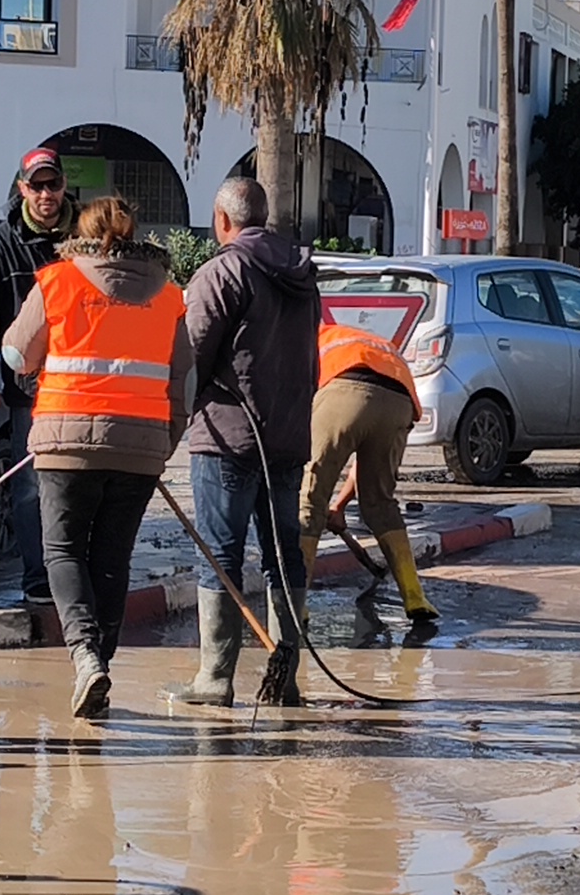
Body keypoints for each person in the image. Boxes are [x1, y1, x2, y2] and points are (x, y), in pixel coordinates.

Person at [1, 197, 192, 719]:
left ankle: (85, 656)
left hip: (64, 443)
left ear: (80, 232)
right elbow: (186, 381)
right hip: (140, 447)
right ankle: (99, 664)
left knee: (63, 551)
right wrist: (165, 441)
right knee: (112, 558)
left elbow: (17, 355)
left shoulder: (57, 281)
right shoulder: (169, 295)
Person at [170, 178, 320, 708]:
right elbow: (311, 358)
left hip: (227, 438)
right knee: (283, 555)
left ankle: (215, 678)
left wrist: (171, 420)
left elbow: (191, 357)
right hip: (287, 437)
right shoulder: (303, 276)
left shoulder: (222, 272)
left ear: (222, 220)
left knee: (220, 554)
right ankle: (286, 677)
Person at [0, 148, 72, 605]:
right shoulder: (0, 244)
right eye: (36, 186)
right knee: (30, 488)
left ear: (64, 185)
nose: (46, 194)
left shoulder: (86, 238)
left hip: (84, 390)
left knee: (79, 487)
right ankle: (39, 580)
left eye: (53, 184)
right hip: (31, 391)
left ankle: (76, 575)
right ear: (23, 189)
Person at [301, 321, 438, 635]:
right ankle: (415, 597)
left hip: (343, 391)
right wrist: (339, 507)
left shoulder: (306, 340)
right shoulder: (363, 340)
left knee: (310, 500)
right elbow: (364, 464)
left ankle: (296, 604)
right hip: (399, 402)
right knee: (380, 503)